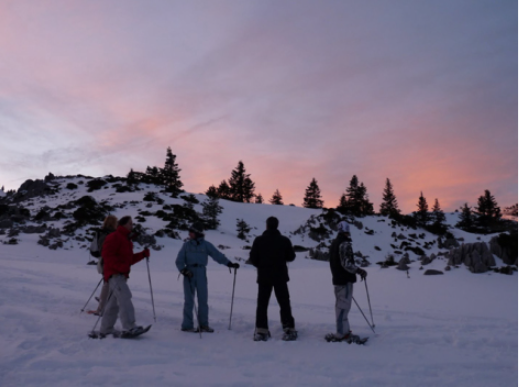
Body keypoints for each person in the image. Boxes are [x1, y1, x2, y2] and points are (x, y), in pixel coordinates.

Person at [175, 222, 239, 333]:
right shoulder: (186, 245)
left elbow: (217, 255)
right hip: (189, 273)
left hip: (201, 272)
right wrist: (183, 270)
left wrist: (229, 264)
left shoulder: (206, 245)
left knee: (203, 300)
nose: (189, 234)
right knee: (189, 301)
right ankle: (187, 325)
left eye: (192, 232)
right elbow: (179, 260)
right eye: (190, 231)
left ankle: (203, 325)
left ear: (198, 233)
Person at [99, 215, 150, 337]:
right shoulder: (114, 237)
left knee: (113, 303)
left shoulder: (126, 240)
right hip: (115, 275)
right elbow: (107, 255)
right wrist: (120, 268)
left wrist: (142, 255)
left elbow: (128, 260)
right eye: (130, 223)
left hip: (121, 275)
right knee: (125, 297)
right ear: (123, 225)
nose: (132, 226)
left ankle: (106, 329)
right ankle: (130, 326)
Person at [249, 216, 297, 341]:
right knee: (284, 302)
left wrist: (262, 264)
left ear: (267, 226)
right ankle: (289, 328)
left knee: (262, 304)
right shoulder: (284, 240)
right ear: (277, 225)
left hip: (264, 276)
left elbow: (253, 259)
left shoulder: (259, 240)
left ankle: (261, 330)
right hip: (280, 276)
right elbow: (291, 257)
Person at [326, 220, 367, 342]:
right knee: (343, 307)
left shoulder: (334, 243)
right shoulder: (344, 244)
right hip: (344, 280)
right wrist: (359, 271)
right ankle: (341, 333)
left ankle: (343, 331)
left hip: (338, 280)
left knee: (341, 306)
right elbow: (346, 264)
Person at [88, 215, 118, 316]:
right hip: (107, 262)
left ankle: (103, 302)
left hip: (106, 261)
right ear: (112, 223)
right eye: (116, 222)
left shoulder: (103, 233)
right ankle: (101, 308)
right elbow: (105, 249)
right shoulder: (107, 234)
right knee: (108, 284)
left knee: (109, 283)